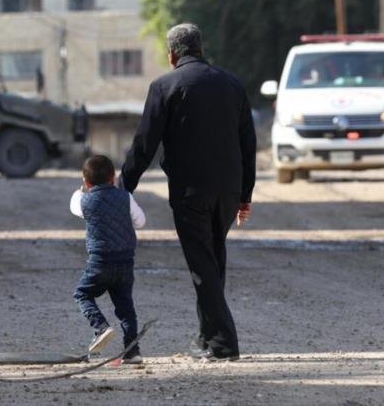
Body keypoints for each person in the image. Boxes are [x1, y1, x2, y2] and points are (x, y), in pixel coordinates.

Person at [120, 23, 256, 361]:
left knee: (202, 266)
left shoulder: (165, 86)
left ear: (172, 54)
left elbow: (145, 142)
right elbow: (248, 144)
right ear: (200, 48)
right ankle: (205, 340)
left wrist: (124, 186)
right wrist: (245, 195)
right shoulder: (232, 84)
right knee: (212, 261)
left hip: (189, 192)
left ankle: (224, 345)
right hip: (227, 190)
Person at [70, 155, 146, 364]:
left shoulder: (83, 200)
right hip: (125, 261)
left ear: (86, 182)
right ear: (113, 178)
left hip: (100, 261)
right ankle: (133, 352)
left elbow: (74, 206)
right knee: (125, 308)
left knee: (82, 294)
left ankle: (101, 327)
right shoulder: (125, 197)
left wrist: (80, 190)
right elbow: (140, 221)